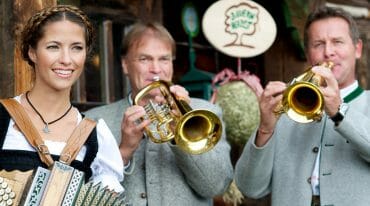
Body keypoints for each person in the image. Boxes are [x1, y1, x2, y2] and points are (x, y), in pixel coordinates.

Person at [85, 21, 233, 205]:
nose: (156, 68)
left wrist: (180, 131)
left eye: (164, 59)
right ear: (124, 65)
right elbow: (87, 198)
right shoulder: (94, 120)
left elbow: (216, 186)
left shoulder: (206, 113)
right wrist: (123, 153)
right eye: (144, 59)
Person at [235, 6, 370, 206]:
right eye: (318, 44)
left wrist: (340, 111)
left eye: (337, 42)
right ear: (308, 55)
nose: (328, 52)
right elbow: (249, 187)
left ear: (357, 49)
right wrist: (266, 129)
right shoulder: (288, 107)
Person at [0, 5, 124, 193]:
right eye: (53, 47)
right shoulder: (3, 117)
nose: (66, 59)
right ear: (32, 52)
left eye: (76, 48)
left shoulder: (95, 135)